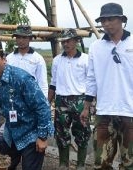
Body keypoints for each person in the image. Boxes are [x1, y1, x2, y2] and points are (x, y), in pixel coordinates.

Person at [0, 42, 54, 170]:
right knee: (6, 166)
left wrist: (42, 137)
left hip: (32, 131)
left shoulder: (22, 78)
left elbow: (42, 107)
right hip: (11, 132)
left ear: (4, 59)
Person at [80, 3, 133, 170]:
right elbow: (91, 79)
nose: (106, 23)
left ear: (121, 20)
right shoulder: (96, 47)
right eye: (103, 20)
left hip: (129, 111)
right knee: (102, 162)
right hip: (104, 112)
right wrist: (86, 107)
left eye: (111, 19)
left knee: (129, 162)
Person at [47, 28, 91, 169]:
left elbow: (91, 82)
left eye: (68, 41)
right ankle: (63, 164)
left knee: (82, 133)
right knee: (61, 133)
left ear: (76, 41)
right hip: (61, 101)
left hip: (80, 100)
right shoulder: (57, 60)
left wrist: (89, 105)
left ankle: (80, 165)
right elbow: (53, 83)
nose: (65, 44)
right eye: (63, 41)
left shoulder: (86, 59)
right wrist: (48, 102)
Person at [6, 25, 48, 97]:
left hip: (32, 96)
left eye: (24, 37)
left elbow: (42, 83)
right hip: (14, 97)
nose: (21, 40)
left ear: (30, 39)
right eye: (18, 37)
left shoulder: (38, 59)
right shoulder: (9, 58)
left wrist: (43, 101)